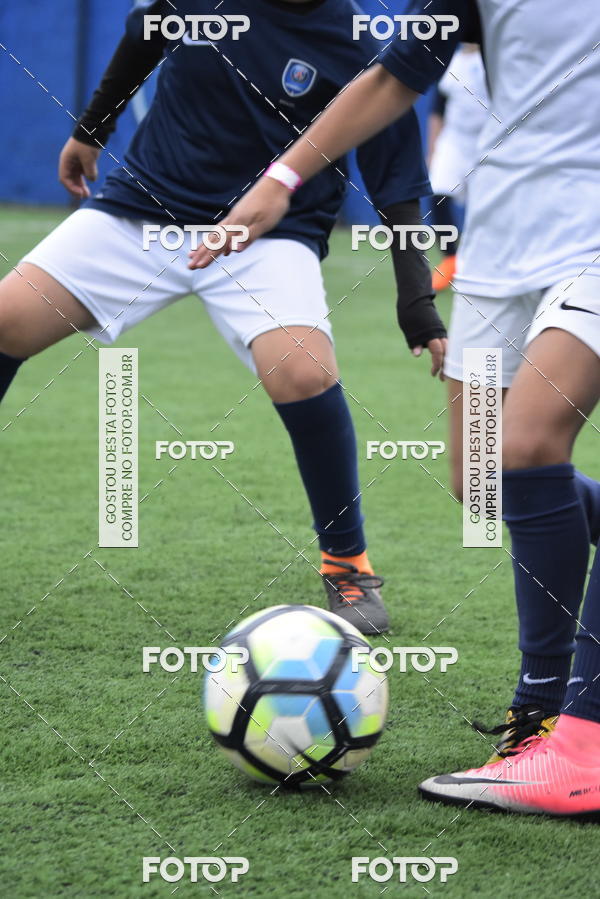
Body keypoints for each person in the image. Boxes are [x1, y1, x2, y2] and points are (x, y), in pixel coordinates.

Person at [191, 0, 600, 817]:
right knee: (484, 481)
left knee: (529, 447)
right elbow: (395, 74)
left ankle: (562, 731)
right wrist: (282, 179)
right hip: (501, 240)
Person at [0, 0, 449, 636]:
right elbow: (141, 37)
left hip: (270, 234)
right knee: (5, 318)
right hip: (141, 212)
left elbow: (396, 183)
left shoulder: (364, 39)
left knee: (304, 373)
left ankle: (347, 563)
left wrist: (417, 301)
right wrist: (91, 130)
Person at [427, 44, 488, 291]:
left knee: (484, 206)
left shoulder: (492, 60)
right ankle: (450, 259)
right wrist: (432, 150)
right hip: (453, 141)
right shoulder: (450, 62)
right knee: (438, 194)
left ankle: (476, 265)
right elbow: (437, 110)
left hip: (486, 143)